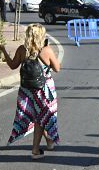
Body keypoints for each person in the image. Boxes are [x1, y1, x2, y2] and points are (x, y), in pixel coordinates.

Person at [3, 23, 61, 158]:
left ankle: (49, 141)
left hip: (27, 90)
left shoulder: (22, 50)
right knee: (42, 117)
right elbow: (57, 69)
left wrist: (3, 50)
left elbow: (12, 65)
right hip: (44, 90)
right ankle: (35, 150)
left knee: (38, 116)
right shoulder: (46, 50)